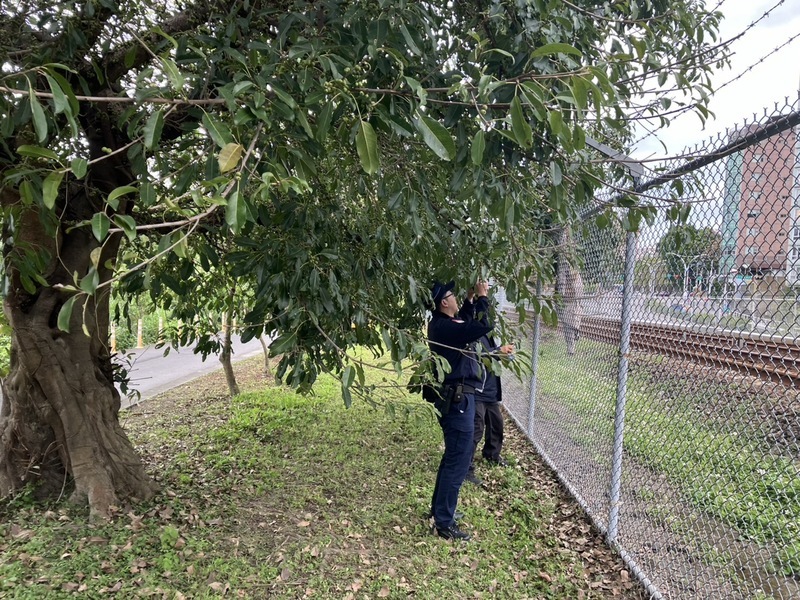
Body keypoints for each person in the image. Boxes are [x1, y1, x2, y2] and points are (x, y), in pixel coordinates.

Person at [425, 280, 492, 541]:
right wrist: (483, 297)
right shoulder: (444, 328)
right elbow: (482, 326)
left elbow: (464, 321)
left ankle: (440, 511)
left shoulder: (445, 325)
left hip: (459, 399)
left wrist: (469, 300)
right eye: (453, 296)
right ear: (444, 302)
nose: (455, 299)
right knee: (458, 461)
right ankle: (444, 522)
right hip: (458, 402)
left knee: (452, 459)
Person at [463, 287, 515, 486]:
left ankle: (492, 454)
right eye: (486, 310)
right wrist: (497, 352)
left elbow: (490, 353)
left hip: (491, 390)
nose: (490, 317)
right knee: (476, 428)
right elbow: (476, 355)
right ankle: (466, 468)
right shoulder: (472, 331)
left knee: (496, 423)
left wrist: (502, 352)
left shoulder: (487, 332)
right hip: (477, 390)